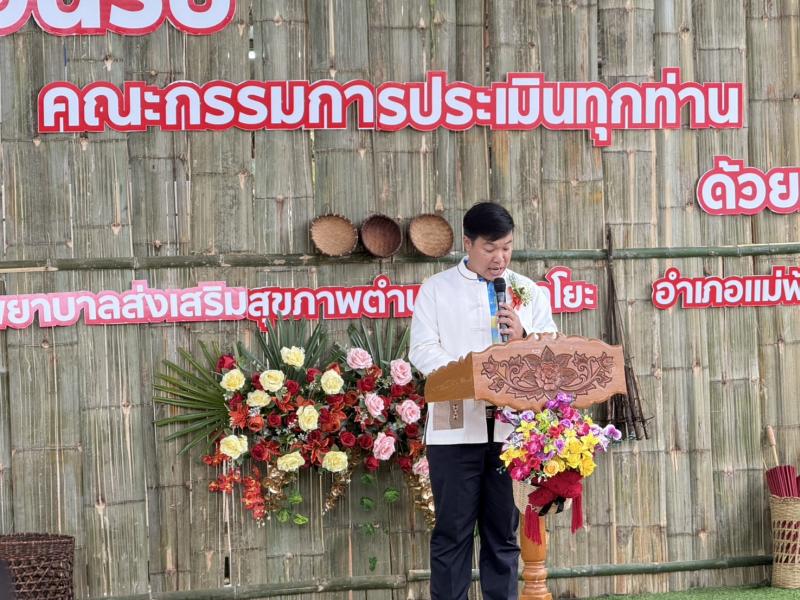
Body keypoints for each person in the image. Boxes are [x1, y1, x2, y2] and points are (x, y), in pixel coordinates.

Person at [409, 201, 558, 600]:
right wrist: (472, 377)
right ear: (468, 243)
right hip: (455, 428)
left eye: (506, 247)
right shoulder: (436, 289)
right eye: (490, 248)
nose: (500, 258)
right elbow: (422, 350)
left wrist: (524, 336)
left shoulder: (528, 290)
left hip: (512, 433)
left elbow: (550, 351)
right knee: (453, 533)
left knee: (502, 533)